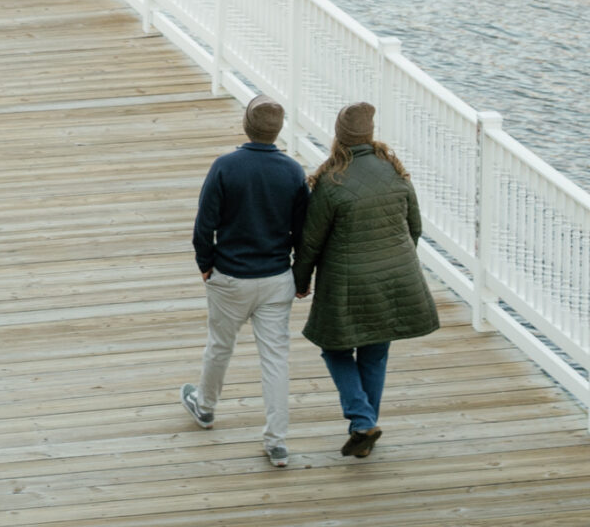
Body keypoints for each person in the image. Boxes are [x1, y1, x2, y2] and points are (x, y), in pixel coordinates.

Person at [294, 100, 439, 458]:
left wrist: (301, 280)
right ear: (370, 135)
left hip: (347, 283)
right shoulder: (394, 170)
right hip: (393, 278)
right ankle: (365, 427)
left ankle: (362, 420)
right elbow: (415, 228)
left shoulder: (331, 180)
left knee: (336, 348)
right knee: (374, 353)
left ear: (339, 138)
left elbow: (311, 241)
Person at [181, 95, 310, 467]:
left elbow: (204, 225)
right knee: (275, 359)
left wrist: (205, 263)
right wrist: (300, 277)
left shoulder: (225, 166)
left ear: (246, 125)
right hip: (275, 279)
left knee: (220, 345)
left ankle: (204, 407)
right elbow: (302, 233)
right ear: (278, 130)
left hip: (231, 277)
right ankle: (277, 442)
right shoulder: (292, 171)